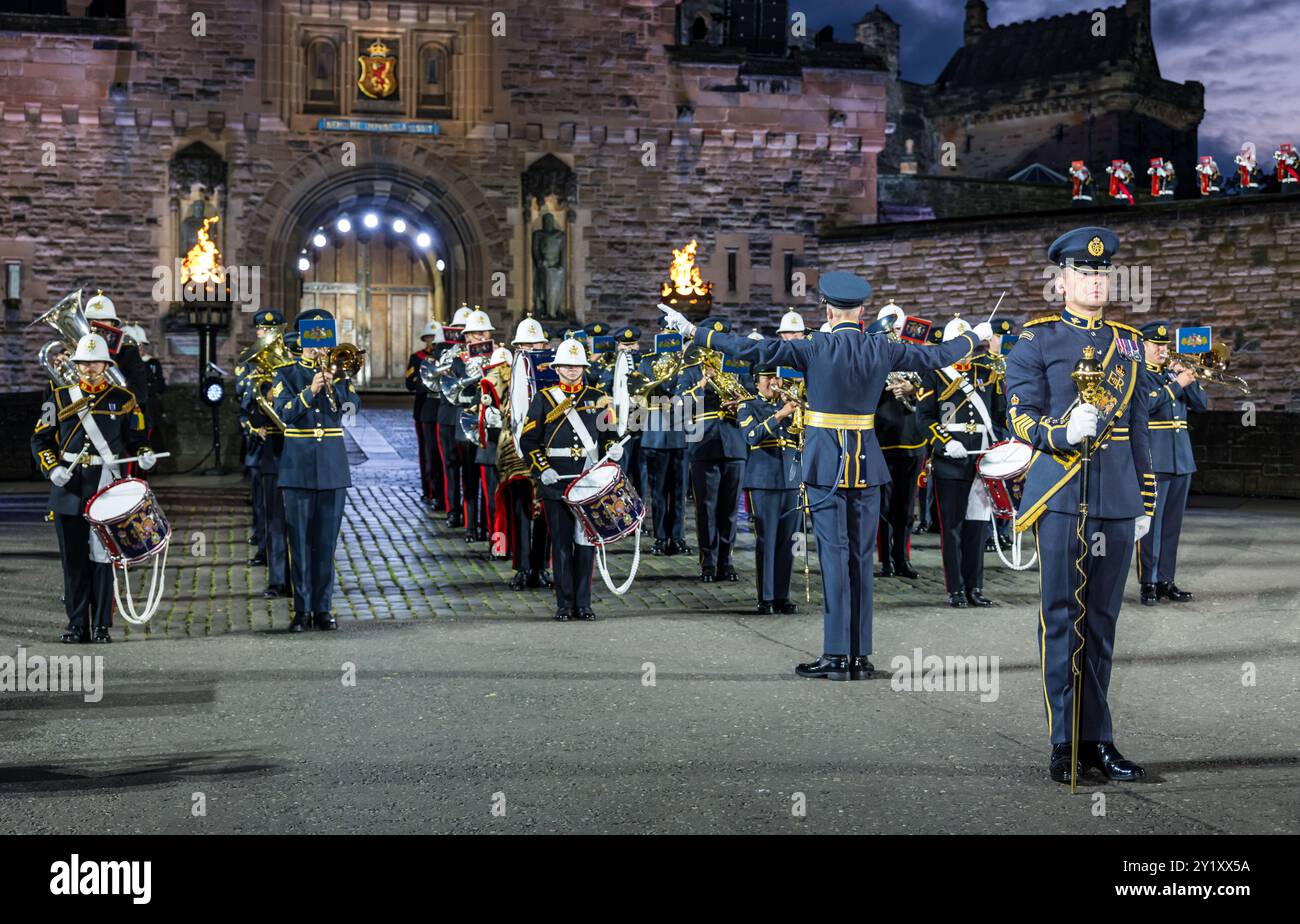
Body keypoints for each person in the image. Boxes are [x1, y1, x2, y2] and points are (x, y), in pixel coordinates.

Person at [660, 273, 991, 680]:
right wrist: (974, 337)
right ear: (864, 313)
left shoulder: (815, 346)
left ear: (829, 311)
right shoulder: (882, 347)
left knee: (834, 558)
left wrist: (696, 332)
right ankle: (859, 656)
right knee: (860, 560)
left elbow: (752, 348)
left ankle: (837, 655)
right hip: (867, 462)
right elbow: (937, 356)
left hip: (825, 462)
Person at [1004, 226, 1153, 784]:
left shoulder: (1128, 345)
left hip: (1114, 495)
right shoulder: (1036, 340)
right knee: (1063, 618)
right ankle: (1064, 740)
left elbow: (1139, 428)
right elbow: (1018, 414)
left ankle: (1099, 739)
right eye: (1085, 273)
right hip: (1062, 492)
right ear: (1061, 279)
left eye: (1103, 273)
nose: (1096, 281)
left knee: (1105, 623)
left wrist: (1142, 499)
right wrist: (1060, 434)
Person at [32, 332, 157, 643]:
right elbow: (40, 439)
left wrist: (145, 453)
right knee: (73, 561)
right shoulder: (59, 398)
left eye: (95, 362)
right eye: (83, 363)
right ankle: (76, 625)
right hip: (70, 488)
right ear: (76, 365)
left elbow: (137, 439)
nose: (89, 368)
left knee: (104, 559)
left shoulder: (123, 399)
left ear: (106, 364)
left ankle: (101, 625)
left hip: (106, 487)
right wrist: (52, 468)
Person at [271, 308, 359, 633]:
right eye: (313, 337)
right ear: (302, 339)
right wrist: (310, 392)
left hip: (333, 469)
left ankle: (323, 609)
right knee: (300, 542)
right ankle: (301, 609)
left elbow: (350, 412)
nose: (319, 344)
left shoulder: (341, 376)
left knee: (325, 544)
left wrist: (335, 385)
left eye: (324, 337)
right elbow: (284, 414)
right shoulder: (286, 374)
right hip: (297, 468)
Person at [519, 338, 619, 621]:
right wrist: (542, 469)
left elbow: (608, 434)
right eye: (567, 365)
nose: (572, 370)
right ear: (557, 368)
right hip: (557, 481)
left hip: (588, 481)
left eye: (577, 366)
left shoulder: (599, 398)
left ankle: (584, 604)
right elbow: (529, 441)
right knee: (561, 544)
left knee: (586, 545)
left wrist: (613, 448)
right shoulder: (544, 398)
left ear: (584, 367)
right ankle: (564, 604)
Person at [916, 316, 1007, 608]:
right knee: (952, 527)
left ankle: (974, 587)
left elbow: (998, 417)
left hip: (980, 460)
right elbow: (924, 417)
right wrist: (945, 442)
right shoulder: (934, 373)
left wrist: (998, 447)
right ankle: (955, 589)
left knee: (976, 528)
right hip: (950, 461)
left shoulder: (986, 373)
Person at [1137, 321, 1206, 605]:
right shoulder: (1139, 375)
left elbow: (1201, 405)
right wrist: (1176, 383)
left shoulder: (1172, 374)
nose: (1162, 350)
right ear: (1143, 346)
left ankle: (1167, 580)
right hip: (1156, 458)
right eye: (1156, 344)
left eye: (1165, 345)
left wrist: (1190, 379)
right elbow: (1147, 406)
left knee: (1172, 526)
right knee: (1152, 525)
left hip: (1181, 459)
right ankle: (1148, 582)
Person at [679, 318, 748, 582]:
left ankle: (726, 561)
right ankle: (708, 561)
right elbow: (680, 403)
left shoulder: (738, 367)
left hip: (733, 441)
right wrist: (703, 384)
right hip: (704, 442)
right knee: (706, 506)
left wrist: (740, 402)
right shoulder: (692, 369)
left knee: (730, 508)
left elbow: (752, 395)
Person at [738, 365, 802, 614]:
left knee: (789, 540)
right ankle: (765, 597)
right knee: (767, 538)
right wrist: (781, 415)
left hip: (792, 478)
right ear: (757, 382)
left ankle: (781, 595)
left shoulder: (790, 403)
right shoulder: (748, 405)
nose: (774, 382)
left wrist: (796, 411)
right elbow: (752, 436)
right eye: (768, 378)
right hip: (764, 479)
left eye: (776, 377)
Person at [867, 310, 925, 579]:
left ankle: (902, 558)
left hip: (912, 441)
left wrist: (911, 389)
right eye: (889, 331)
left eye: (896, 330)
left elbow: (929, 392)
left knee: (905, 507)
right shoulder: (872, 363)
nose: (894, 336)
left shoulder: (913, 357)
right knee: (883, 507)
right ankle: (886, 562)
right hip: (883, 441)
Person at [496, 317, 553, 589]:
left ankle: (541, 566)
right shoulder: (506, 372)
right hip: (516, 451)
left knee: (545, 511)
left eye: (535, 343)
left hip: (547, 449)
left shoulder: (553, 371)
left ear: (543, 344)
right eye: (525, 345)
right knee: (520, 511)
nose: (531, 348)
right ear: (517, 347)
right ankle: (522, 567)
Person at [639, 322, 692, 558]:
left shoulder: (687, 362)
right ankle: (660, 537)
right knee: (658, 492)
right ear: (659, 333)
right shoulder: (648, 362)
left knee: (679, 492)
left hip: (681, 433)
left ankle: (678, 537)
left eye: (674, 333)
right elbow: (643, 394)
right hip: (656, 433)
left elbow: (689, 394)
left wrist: (677, 399)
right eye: (666, 333)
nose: (670, 337)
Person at [436, 306, 472, 525]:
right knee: (449, 465)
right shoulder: (443, 349)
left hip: (467, 413)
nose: (462, 333)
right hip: (448, 415)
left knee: (469, 468)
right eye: (459, 328)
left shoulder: (479, 353)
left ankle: (469, 516)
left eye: (466, 329)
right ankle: (452, 511)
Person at [406, 320, 445, 509]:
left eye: (436, 338)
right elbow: (410, 383)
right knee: (427, 451)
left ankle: (442, 491)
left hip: (442, 409)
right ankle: (428, 489)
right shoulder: (417, 357)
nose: (433, 341)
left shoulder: (446, 356)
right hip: (424, 408)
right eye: (430, 338)